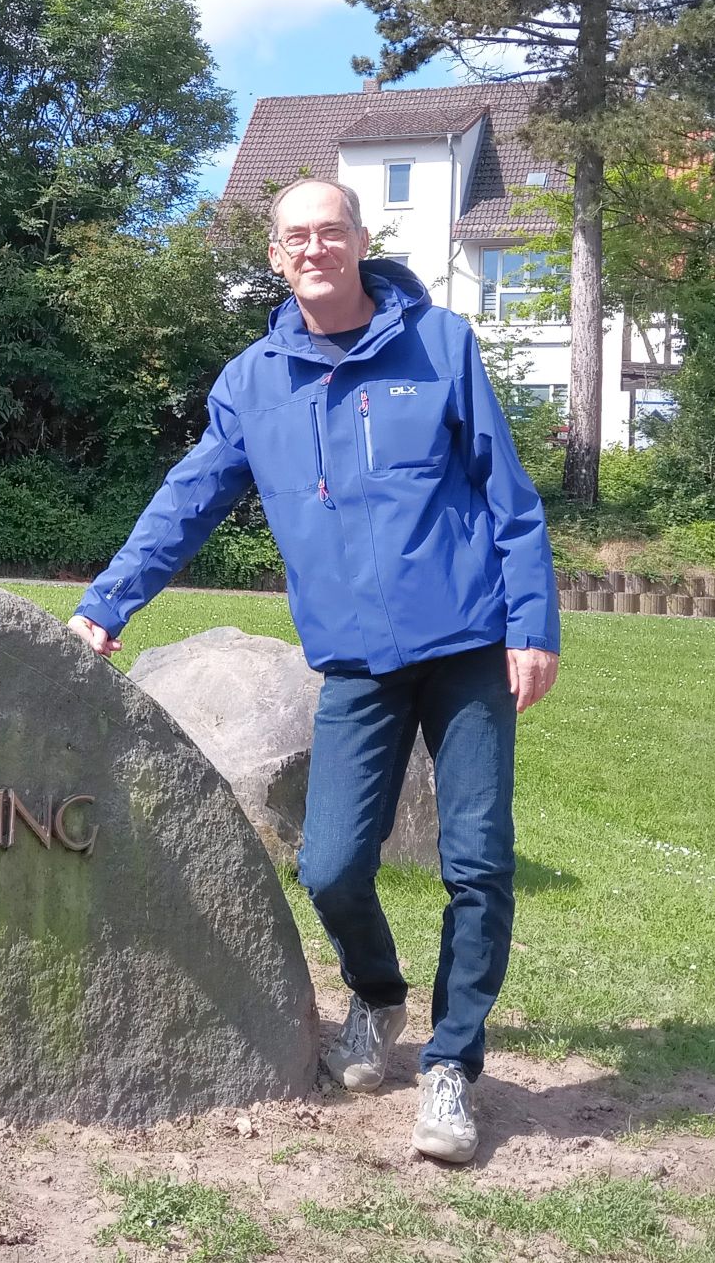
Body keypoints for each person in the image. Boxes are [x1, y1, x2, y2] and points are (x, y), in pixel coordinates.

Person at [68, 177, 559, 1165]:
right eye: (296, 236)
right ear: (275, 256)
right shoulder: (255, 383)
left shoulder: (443, 347)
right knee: (330, 864)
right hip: (358, 663)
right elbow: (186, 502)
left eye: (331, 230)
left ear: (360, 240)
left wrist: (532, 624)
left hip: (466, 645)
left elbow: (510, 500)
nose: (315, 247)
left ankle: (452, 1065)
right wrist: (105, 605)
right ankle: (377, 994)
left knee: (477, 864)